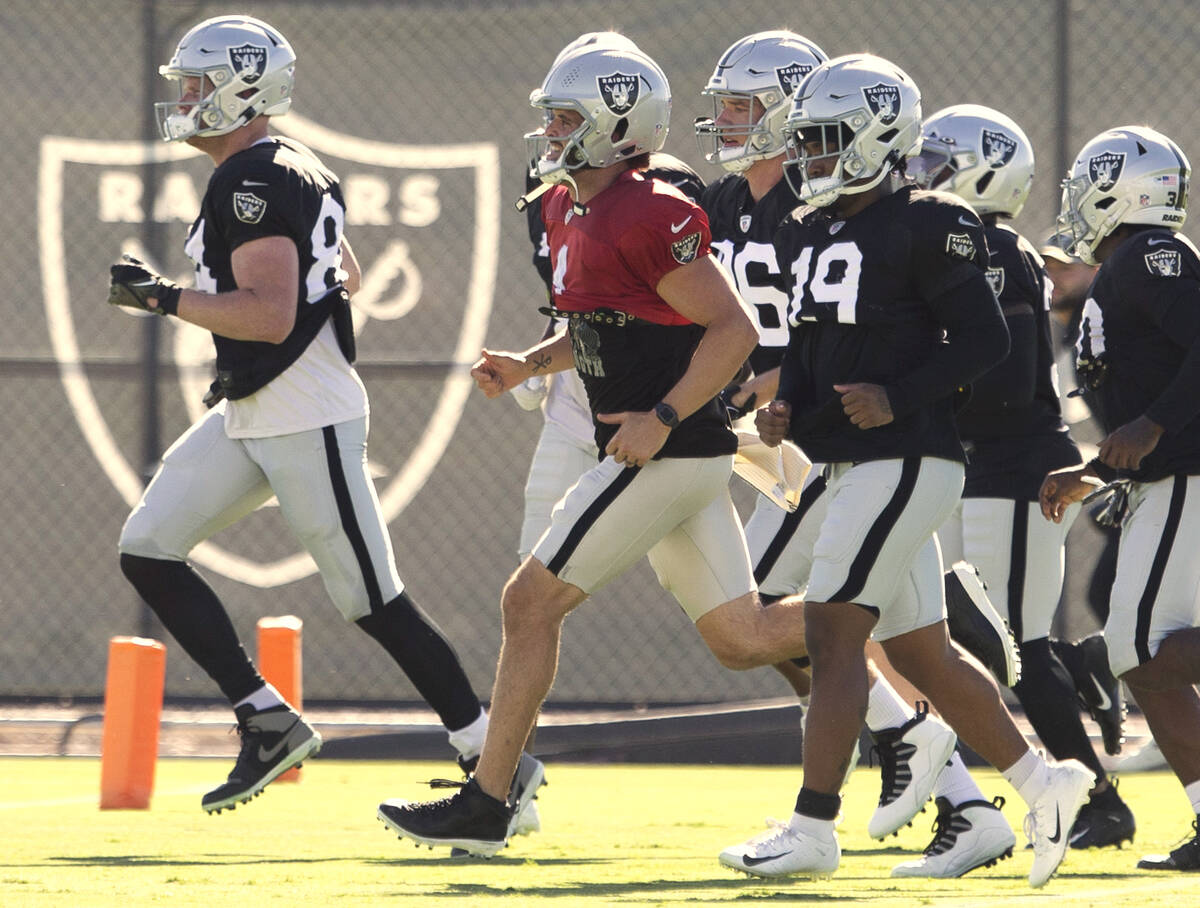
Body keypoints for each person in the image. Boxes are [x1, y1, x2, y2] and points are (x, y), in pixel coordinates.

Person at [376, 42, 816, 857]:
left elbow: (733, 330)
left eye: (568, 118)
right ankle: (891, 617)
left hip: (670, 449)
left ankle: (488, 801)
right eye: (551, 115)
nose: (549, 131)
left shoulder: (653, 209)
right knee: (742, 639)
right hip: (666, 447)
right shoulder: (563, 204)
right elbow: (595, 321)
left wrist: (663, 412)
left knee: (527, 601)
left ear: (618, 128)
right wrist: (529, 362)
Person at [105, 15, 547, 821]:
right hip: (256, 405)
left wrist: (162, 297)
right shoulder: (278, 169)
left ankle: (495, 765)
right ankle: (265, 718)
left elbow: (270, 315)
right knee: (149, 547)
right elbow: (337, 269)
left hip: (302, 410)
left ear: (244, 90)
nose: (187, 99)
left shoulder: (254, 178)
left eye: (200, 85)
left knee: (373, 599)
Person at [724, 53, 1093, 888]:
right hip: (856, 462)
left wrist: (898, 395)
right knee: (922, 654)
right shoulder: (815, 227)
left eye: (825, 139)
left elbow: (986, 342)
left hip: (907, 460)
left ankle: (815, 826)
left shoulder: (930, 222)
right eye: (806, 140)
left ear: (878, 136)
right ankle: (1047, 783)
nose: (811, 157)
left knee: (830, 626)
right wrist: (788, 414)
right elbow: (815, 355)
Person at [907, 104, 1134, 850]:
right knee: (980, 635)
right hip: (985, 460)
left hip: (1013, 461)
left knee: (1010, 641)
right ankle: (1082, 673)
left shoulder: (993, 247)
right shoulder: (968, 243)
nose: (923, 174)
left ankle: (1094, 798)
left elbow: (999, 374)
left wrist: (923, 388)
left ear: (983, 171)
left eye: (940, 162)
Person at [1042, 124, 1200, 872]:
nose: (1076, 199)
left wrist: (1152, 423)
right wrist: (1095, 471)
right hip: (1159, 481)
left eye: (1086, 183)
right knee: (1143, 655)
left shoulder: (1152, 255)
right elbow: (1146, 396)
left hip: (1187, 478)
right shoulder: (1124, 270)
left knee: (1137, 647)